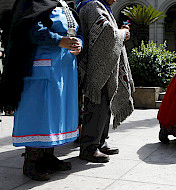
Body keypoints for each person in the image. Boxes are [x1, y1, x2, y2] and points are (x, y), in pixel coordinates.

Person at [0, 0, 83, 181]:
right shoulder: (31, 1)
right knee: (38, 112)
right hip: (40, 66)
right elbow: (29, 28)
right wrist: (60, 40)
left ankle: (48, 156)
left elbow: (78, 31)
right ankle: (32, 161)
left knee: (54, 114)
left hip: (63, 69)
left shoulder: (63, 3)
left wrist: (79, 44)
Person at [76, 0, 134, 163]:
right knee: (96, 105)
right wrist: (122, 33)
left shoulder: (99, 6)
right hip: (96, 66)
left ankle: (100, 142)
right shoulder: (93, 5)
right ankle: (89, 147)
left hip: (104, 65)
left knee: (104, 106)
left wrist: (120, 32)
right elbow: (105, 31)